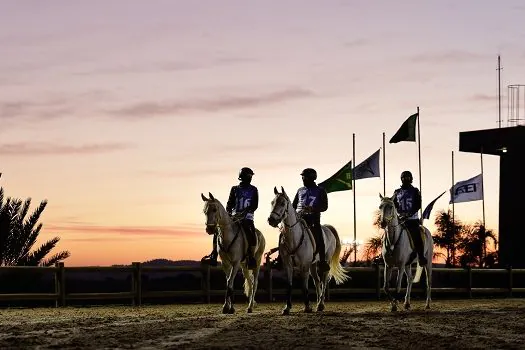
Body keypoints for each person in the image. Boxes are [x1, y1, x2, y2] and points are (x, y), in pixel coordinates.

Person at [271, 168, 330, 272]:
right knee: (283, 234)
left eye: (304, 177)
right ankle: (281, 259)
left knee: (318, 234)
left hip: (313, 218)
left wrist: (313, 209)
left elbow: (324, 207)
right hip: (299, 218)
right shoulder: (300, 190)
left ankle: (322, 261)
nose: (303, 179)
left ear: (311, 178)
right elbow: (293, 205)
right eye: (303, 177)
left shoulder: (321, 190)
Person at [201, 167, 259, 268]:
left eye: (251, 176)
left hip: (247, 217)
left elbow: (255, 205)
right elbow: (229, 203)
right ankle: (214, 254)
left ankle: (251, 257)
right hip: (234, 216)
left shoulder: (254, 189)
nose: (250, 178)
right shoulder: (234, 189)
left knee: (251, 234)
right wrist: (229, 212)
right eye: (249, 176)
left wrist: (246, 211)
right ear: (244, 177)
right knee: (218, 231)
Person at [392, 170, 427, 265]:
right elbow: (393, 205)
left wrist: (408, 214)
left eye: (407, 177)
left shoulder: (415, 191)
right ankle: (387, 255)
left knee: (417, 236)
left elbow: (418, 205)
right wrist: (398, 214)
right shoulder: (397, 192)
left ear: (411, 179)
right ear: (401, 179)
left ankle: (421, 256)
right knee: (389, 232)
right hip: (400, 220)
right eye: (403, 177)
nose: (405, 179)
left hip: (412, 220)